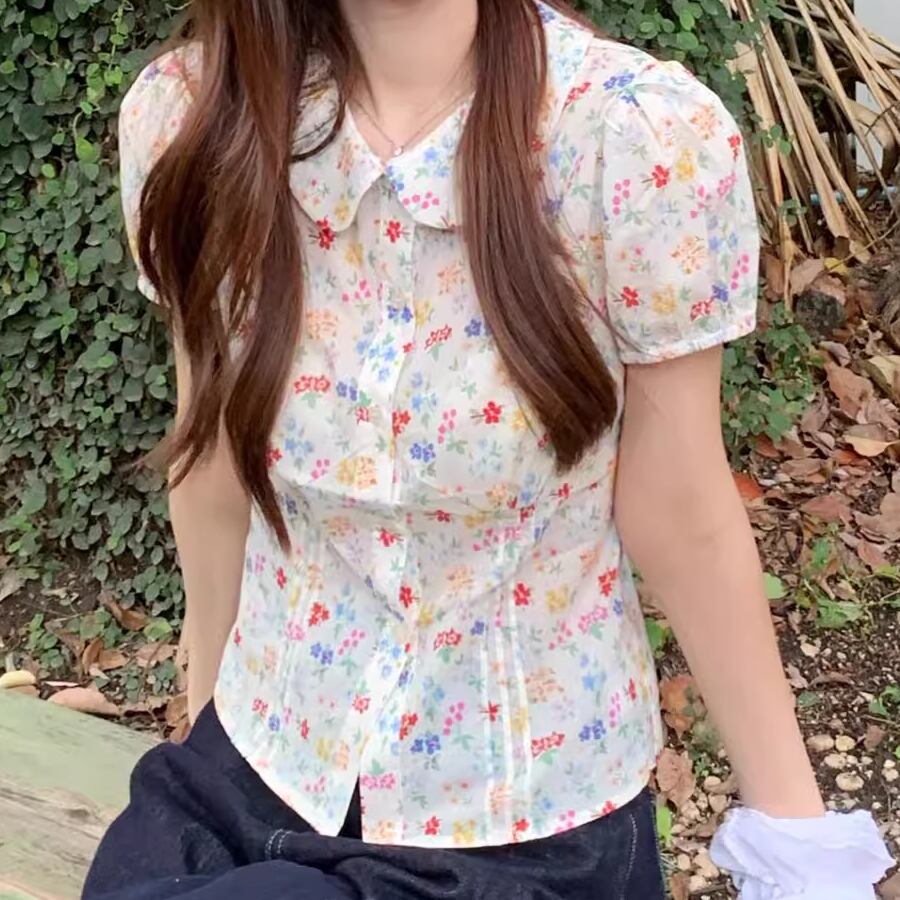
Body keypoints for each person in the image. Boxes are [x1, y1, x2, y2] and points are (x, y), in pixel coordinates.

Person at [84, 0, 894, 897]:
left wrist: (799, 845)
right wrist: (208, 743)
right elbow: (212, 473)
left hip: (521, 836)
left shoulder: (628, 141)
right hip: (255, 773)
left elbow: (680, 510)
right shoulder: (196, 118)